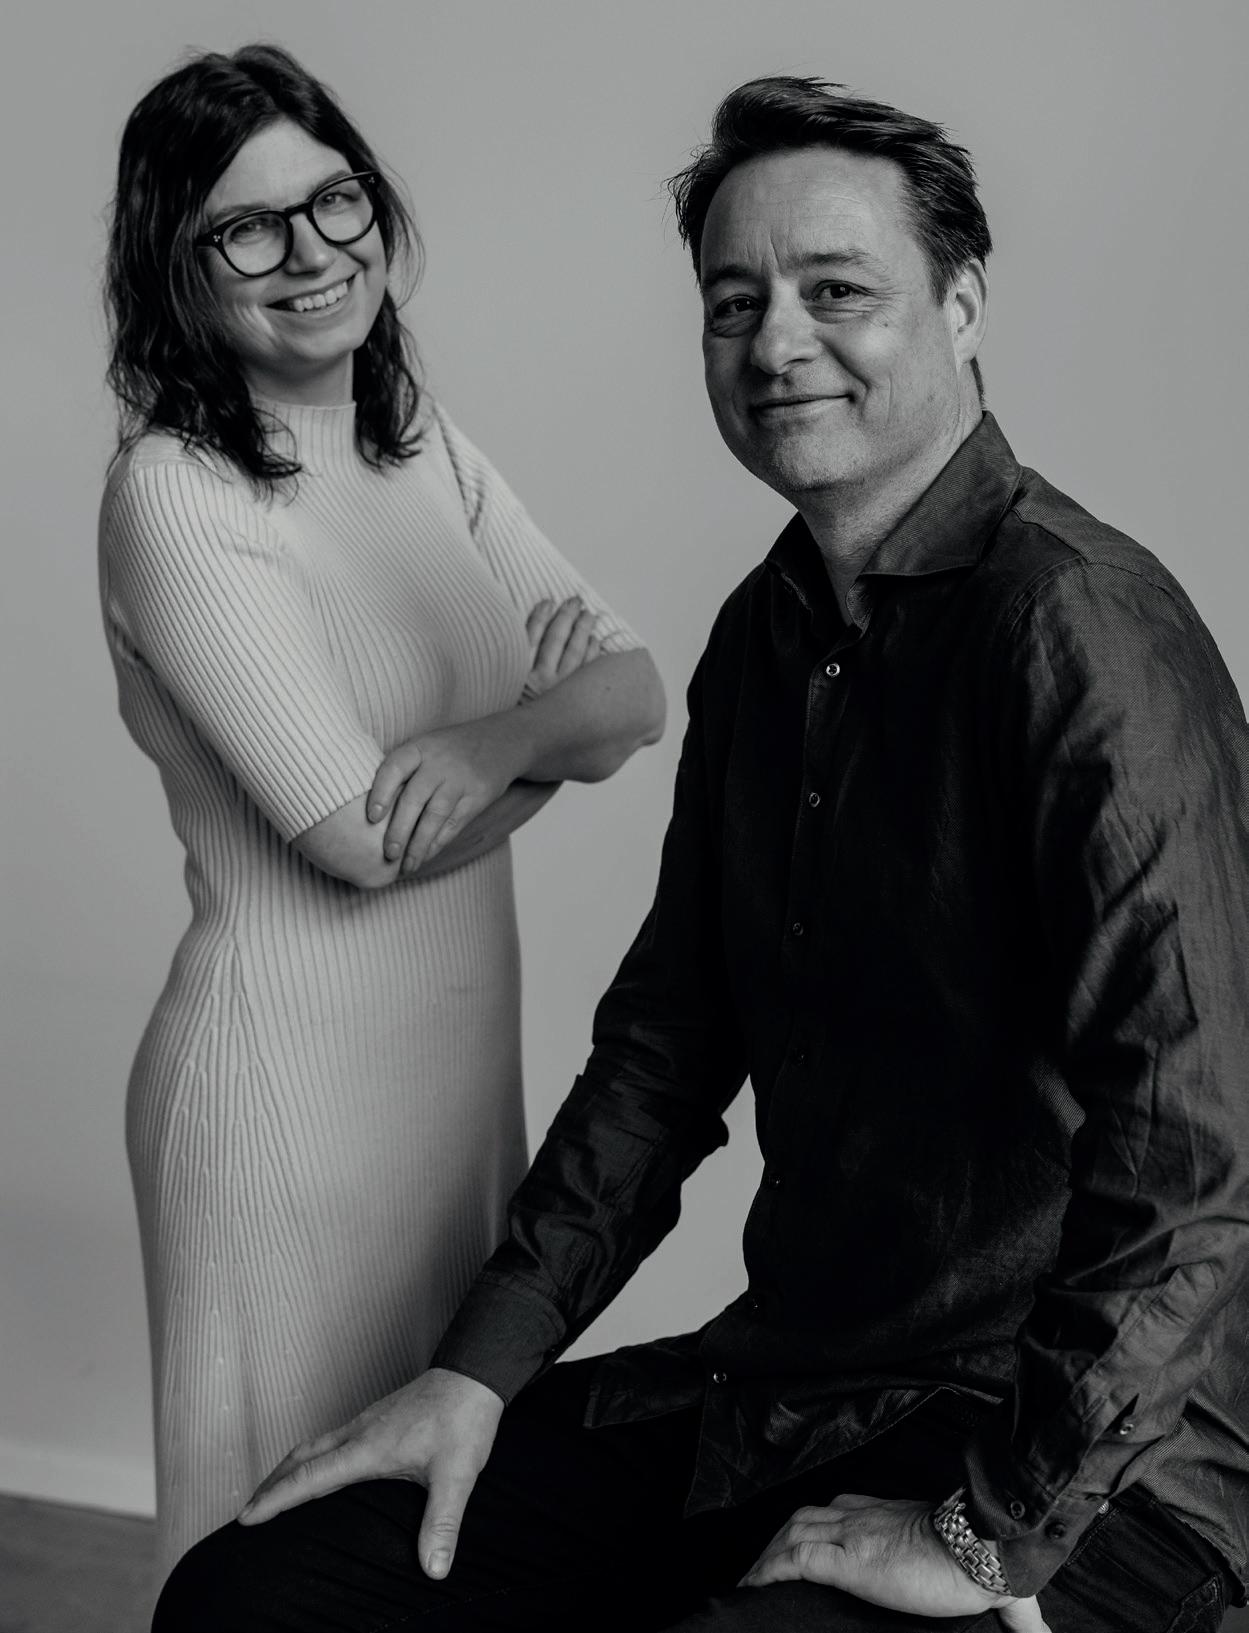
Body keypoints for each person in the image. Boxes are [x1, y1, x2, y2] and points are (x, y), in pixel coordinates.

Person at [152, 77, 1248, 1632]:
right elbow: (663, 1059)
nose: (776, 342)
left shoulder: (1084, 632)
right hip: (795, 1388)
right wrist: (478, 1369)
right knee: (259, 1593)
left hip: (1085, 1459)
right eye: (735, 303)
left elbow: (1198, 1146)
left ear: (962, 304)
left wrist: (986, 1530)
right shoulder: (766, 635)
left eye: (837, 291)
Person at [99, 43, 665, 1576]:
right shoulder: (179, 494)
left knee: (434, 1532)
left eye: (331, 199)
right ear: (176, 268)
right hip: (283, 1107)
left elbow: (636, 694)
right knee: (268, 1554)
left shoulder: (417, 443)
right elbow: (352, 839)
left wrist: (498, 744)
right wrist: (559, 743)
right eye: (246, 227)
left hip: (452, 1086)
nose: (309, 252)